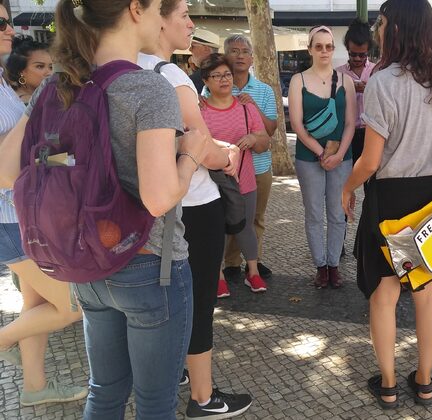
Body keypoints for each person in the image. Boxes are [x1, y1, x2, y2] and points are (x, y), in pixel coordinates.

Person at [0, 0, 210, 417]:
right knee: (155, 402)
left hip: (85, 263)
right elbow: (158, 198)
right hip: (150, 266)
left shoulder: (57, 82)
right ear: (136, 9)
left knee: (105, 392)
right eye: (158, 9)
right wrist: (190, 155)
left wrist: (69, 163)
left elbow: (8, 171)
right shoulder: (149, 88)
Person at [138, 0, 252, 417]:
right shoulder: (168, 74)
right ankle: (204, 398)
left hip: (153, 204)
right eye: (183, 15)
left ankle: (181, 371)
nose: (191, 23)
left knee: (167, 296)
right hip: (192, 203)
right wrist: (227, 156)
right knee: (199, 300)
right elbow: (202, 148)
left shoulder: (121, 70)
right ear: (156, 19)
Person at [342, 0, 432, 408]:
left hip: (392, 199)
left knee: (384, 293)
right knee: (426, 292)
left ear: (398, 29)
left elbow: (370, 160)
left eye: (383, 22)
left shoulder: (382, 80)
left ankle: (388, 383)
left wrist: (347, 187)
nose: (377, 29)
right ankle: (423, 380)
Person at [0, 1, 87, 406]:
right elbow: (5, 166)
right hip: (8, 217)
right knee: (73, 305)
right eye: (2, 22)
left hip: (21, 212)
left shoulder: (2, 84)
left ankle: (34, 389)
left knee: (35, 303)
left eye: (9, 20)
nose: (10, 29)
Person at [288, 26, 356, 289]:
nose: (325, 51)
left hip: (342, 157)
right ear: (310, 49)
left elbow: (351, 123)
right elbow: (296, 124)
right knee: (314, 213)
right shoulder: (298, 81)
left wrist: (338, 154)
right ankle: (321, 266)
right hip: (308, 157)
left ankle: (334, 265)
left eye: (329, 46)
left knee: (338, 213)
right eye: (319, 46)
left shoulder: (346, 81)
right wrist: (321, 153)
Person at [200, 53, 270, 296]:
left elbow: (265, 142)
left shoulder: (246, 107)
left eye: (227, 74)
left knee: (246, 227)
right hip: (212, 183)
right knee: (215, 230)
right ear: (206, 81)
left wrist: (253, 139)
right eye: (216, 76)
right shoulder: (200, 111)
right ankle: (217, 276)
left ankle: (253, 273)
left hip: (245, 180)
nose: (223, 80)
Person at [218, 34, 279, 289]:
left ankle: (252, 262)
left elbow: (272, 129)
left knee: (255, 217)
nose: (240, 55)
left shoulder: (264, 90)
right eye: (234, 50)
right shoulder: (216, 86)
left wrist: (253, 106)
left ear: (252, 58)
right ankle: (229, 263)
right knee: (227, 218)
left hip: (259, 166)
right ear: (226, 56)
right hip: (226, 166)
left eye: (245, 51)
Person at [336, 19, 375, 164]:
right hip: (346, 133)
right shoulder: (338, 74)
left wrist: (370, 89)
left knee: (371, 182)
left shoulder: (376, 72)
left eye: (362, 55)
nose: (358, 58)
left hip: (370, 133)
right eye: (353, 54)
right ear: (347, 49)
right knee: (345, 180)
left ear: (368, 51)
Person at [5, 35, 53, 104]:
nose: (49, 73)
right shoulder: (18, 102)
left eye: (51, 67)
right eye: (40, 66)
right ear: (21, 70)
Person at [188, 28, 220, 93]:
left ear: (206, 49)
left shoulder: (194, 79)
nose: (190, 49)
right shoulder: (229, 71)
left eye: (193, 46)